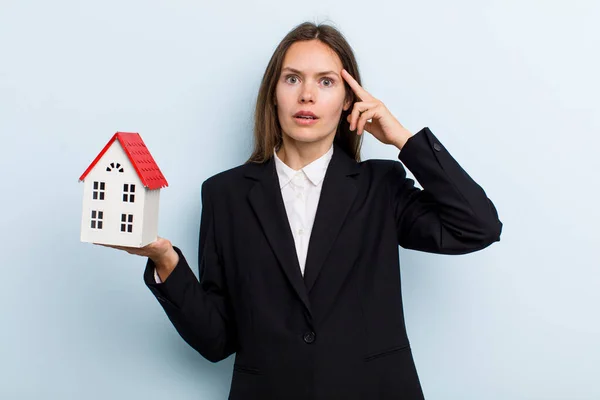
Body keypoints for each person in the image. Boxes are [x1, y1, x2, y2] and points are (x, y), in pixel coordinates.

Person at [101, 21, 502, 400]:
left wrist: (401, 138)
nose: (306, 95)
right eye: (292, 79)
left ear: (349, 99)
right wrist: (166, 261)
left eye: (325, 82)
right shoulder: (225, 195)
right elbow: (216, 340)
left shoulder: (380, 187)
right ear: (273, 93)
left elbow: (477, 226)